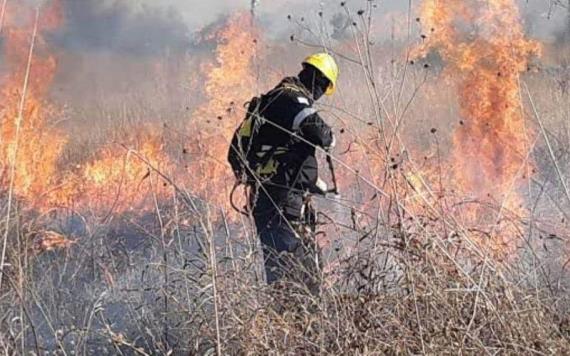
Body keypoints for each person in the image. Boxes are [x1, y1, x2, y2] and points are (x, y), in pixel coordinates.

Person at [229, 53, 339, 293]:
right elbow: (320, 134)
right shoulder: (290, 98)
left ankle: (296, 321)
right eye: (323, 86)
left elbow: (287, 153)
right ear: (317, 79)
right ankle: (294, 322)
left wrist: (317, 186)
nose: (320, 93)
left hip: (278, 199)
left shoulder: (273, 100)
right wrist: (331, 139)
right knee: (292, 270)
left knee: (299, 268)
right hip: (280, 202)